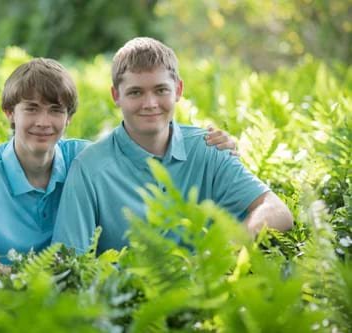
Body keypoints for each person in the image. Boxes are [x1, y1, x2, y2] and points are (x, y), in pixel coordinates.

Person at [0, 58, 238, 267]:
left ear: (69, 118)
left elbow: (144, 157)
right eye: (31, 109)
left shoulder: (85, 157)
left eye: (55, 111)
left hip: (70, 287)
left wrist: (223, 149)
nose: (43, 122)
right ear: (10, 113)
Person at [51, 37, 293, 255]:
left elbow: (277, 211)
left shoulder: (209, 148)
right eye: (135, 92)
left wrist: (226, 251)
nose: (150, 103)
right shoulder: (89, 168)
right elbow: (72, 261)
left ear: (178, 90)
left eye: (160, 90)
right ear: (116, 96)